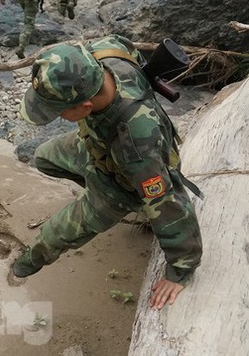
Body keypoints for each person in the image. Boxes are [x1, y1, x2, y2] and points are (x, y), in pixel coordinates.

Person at [12, 35, 203, 310]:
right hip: (96, 146)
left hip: (120, 184)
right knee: (44, 158)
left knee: (54, 234)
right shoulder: (104, 54)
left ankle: (26, 263)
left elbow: (167, 203)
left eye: (59, 112)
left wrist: (181, 268)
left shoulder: (137, 145)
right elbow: (125, 44)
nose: (56, 117)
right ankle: (94, 189)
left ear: (85, 107)